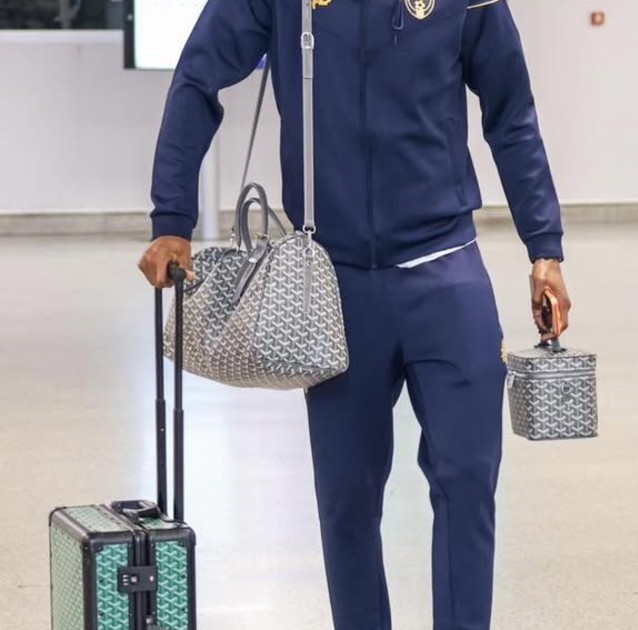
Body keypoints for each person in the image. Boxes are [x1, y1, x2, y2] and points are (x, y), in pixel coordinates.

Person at [137, 1, 570, 628]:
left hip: (445, 271)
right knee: (346, 499)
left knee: (467, 481)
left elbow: (512, 113)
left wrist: (544, 247)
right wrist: (171, 217)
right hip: (332, 285)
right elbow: (198, 73)